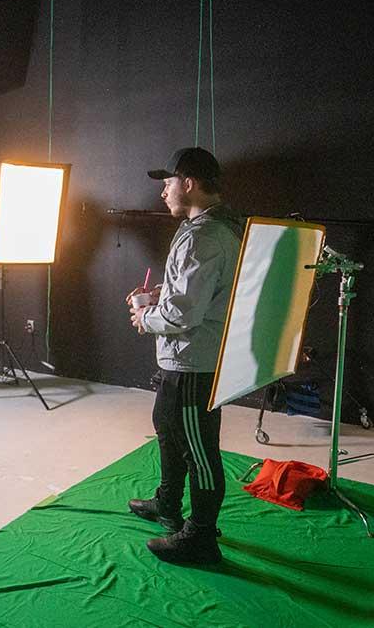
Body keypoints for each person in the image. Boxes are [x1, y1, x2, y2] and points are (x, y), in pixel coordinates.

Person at [127, 148, 244, 564]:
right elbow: (190, 292)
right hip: (184, 359)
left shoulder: (203, 236)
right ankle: (168, 503)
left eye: (167, 183)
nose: (163, 193)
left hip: (194, 362)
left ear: (188, 183)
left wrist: (146, 315)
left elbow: (183, 313)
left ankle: (201, 536)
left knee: (199, 449)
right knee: (167, 426)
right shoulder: (205, 226)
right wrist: (159, 296)